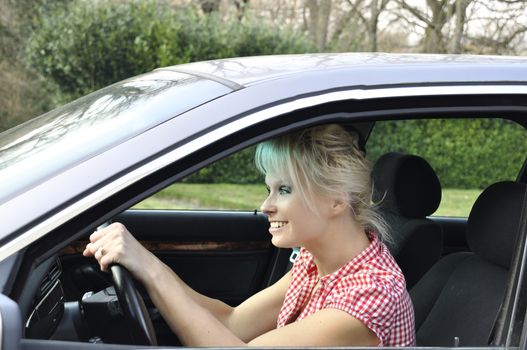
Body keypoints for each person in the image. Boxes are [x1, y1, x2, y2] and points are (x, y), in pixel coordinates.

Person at [83, 123, 415, 347]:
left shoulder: (372, 294)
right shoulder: (318, 264)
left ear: (336, 200)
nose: (265, 205)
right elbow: (233, 321)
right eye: (268, 189)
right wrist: (146, 268)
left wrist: (151, 270)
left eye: (283, 189)